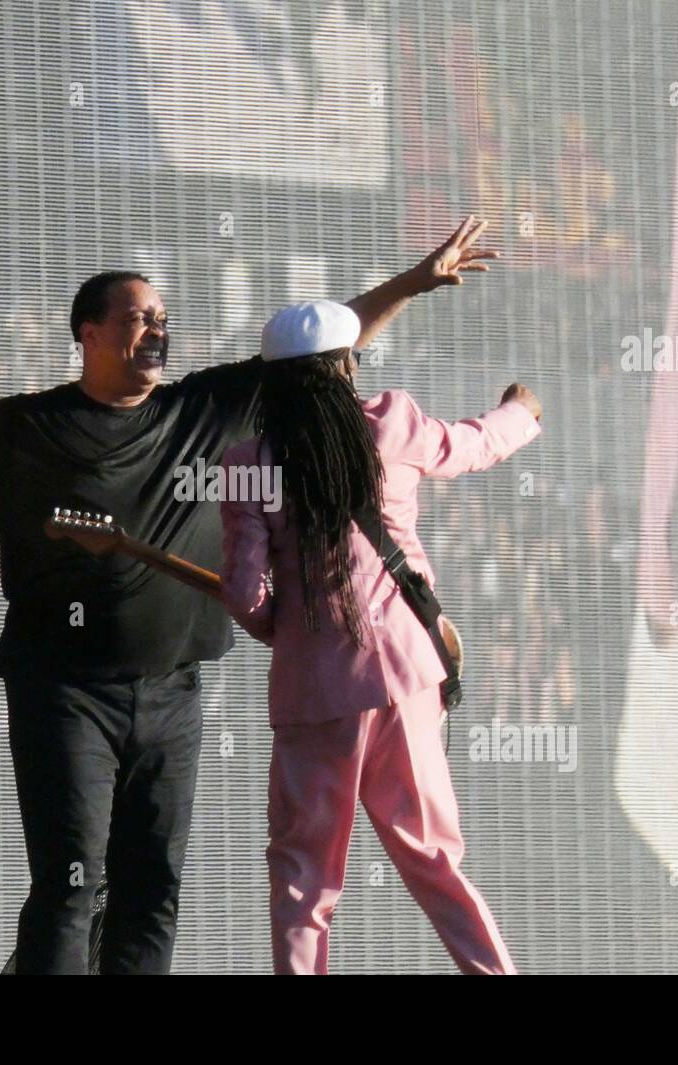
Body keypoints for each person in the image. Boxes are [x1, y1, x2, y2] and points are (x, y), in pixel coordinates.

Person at [0, 218, 500, 974]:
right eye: (138, 316)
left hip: (174, 691)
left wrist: (412, 281)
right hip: (64, 692)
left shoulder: (202, 412)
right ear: (88, 332)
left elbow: (320, 348)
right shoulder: (19, 424)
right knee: (72, 886)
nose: (156, 330)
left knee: (151, 890)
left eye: (164, 320)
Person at [219, 298, 542, 974]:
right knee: (434, 860)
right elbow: (470, 445)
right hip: (404, 675)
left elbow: (247, 599)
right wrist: (519, 411)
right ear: (344, 368)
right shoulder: (391, 424)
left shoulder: (247, 463)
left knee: (305, 883)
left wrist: (295, 628)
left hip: (314, 698)